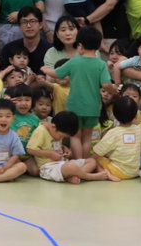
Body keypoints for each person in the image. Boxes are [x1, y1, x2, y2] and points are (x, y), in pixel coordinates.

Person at [42, 26, 110, 158]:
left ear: (80, 46)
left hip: (75, 106)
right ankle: (85, 161)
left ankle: (78, 162)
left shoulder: (74, 62)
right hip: (93, 106)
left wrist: (46, 70)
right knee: (87, 138)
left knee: (75, 136)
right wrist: (114, 89)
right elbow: (106, 84)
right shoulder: (101, 64)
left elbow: (57, 73)